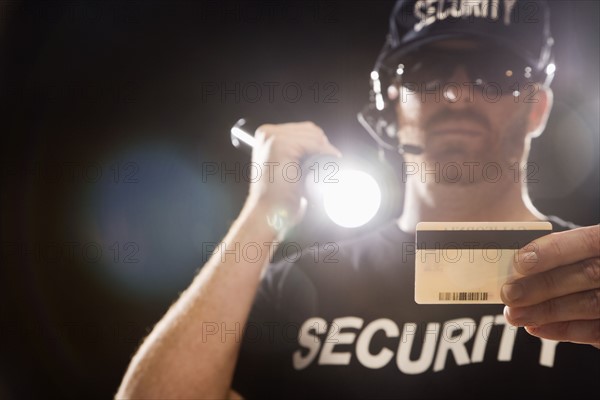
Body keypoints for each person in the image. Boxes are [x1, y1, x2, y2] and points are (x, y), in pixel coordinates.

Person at [116, 1, 599, 398]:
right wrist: (262, 214)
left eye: (497, 71)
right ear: (391, 99)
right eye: (425, 70)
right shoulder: (297, 286)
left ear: (536, 107)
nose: (455, 93)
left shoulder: (586, 279)